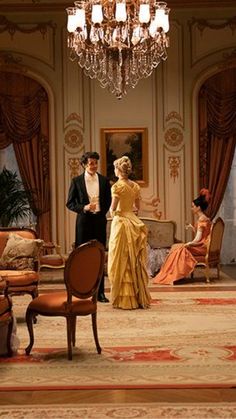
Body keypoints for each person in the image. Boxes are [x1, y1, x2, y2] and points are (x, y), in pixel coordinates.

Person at [66, 151, 111, 302]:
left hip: (99, 222)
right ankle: (82, 291)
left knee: (99, 257)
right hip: (83, 223)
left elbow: (108, 201)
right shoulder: (76, 181)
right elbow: (70, 203)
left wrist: (100, 212)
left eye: (96, 163)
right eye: (91, 163)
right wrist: (85, 208)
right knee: (82, 257)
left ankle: (100, 294)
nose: (94, 166)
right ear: (84, 164)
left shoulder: (104, 181)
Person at [108, 156, 151, 310]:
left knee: (120, 259)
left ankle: (123, 300)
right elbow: (137, 208)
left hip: (120, 223)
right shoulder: (135, 186)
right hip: (133, 222)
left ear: (118, 170)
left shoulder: (117, 187)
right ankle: (137, 297)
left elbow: (113, 208)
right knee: (133, 259)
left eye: (115, 168)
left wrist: (112, 213)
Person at [153, 188, 212, 285]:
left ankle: (173, 275)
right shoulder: (205, 218)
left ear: (198, 208)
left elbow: (198, 239)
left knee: (179, 249)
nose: (191, 208)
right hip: (204, 246)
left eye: (193, 206)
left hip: (201, 247)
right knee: (177, 247)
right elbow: (203, 234)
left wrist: (189, 244)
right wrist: (193, 228)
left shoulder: (201, 220)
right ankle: (173, 274)